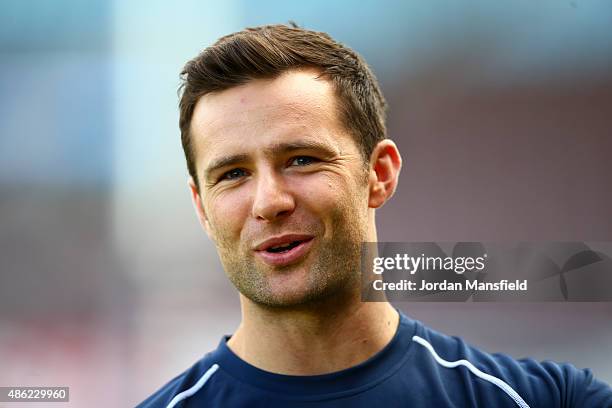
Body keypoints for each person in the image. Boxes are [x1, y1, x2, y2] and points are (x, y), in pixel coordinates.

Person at [137, 24, 611, 408]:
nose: (268, 202)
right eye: (233, 173)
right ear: (201, 207)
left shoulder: (546, 400)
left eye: (301, 159)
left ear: (379, 173)